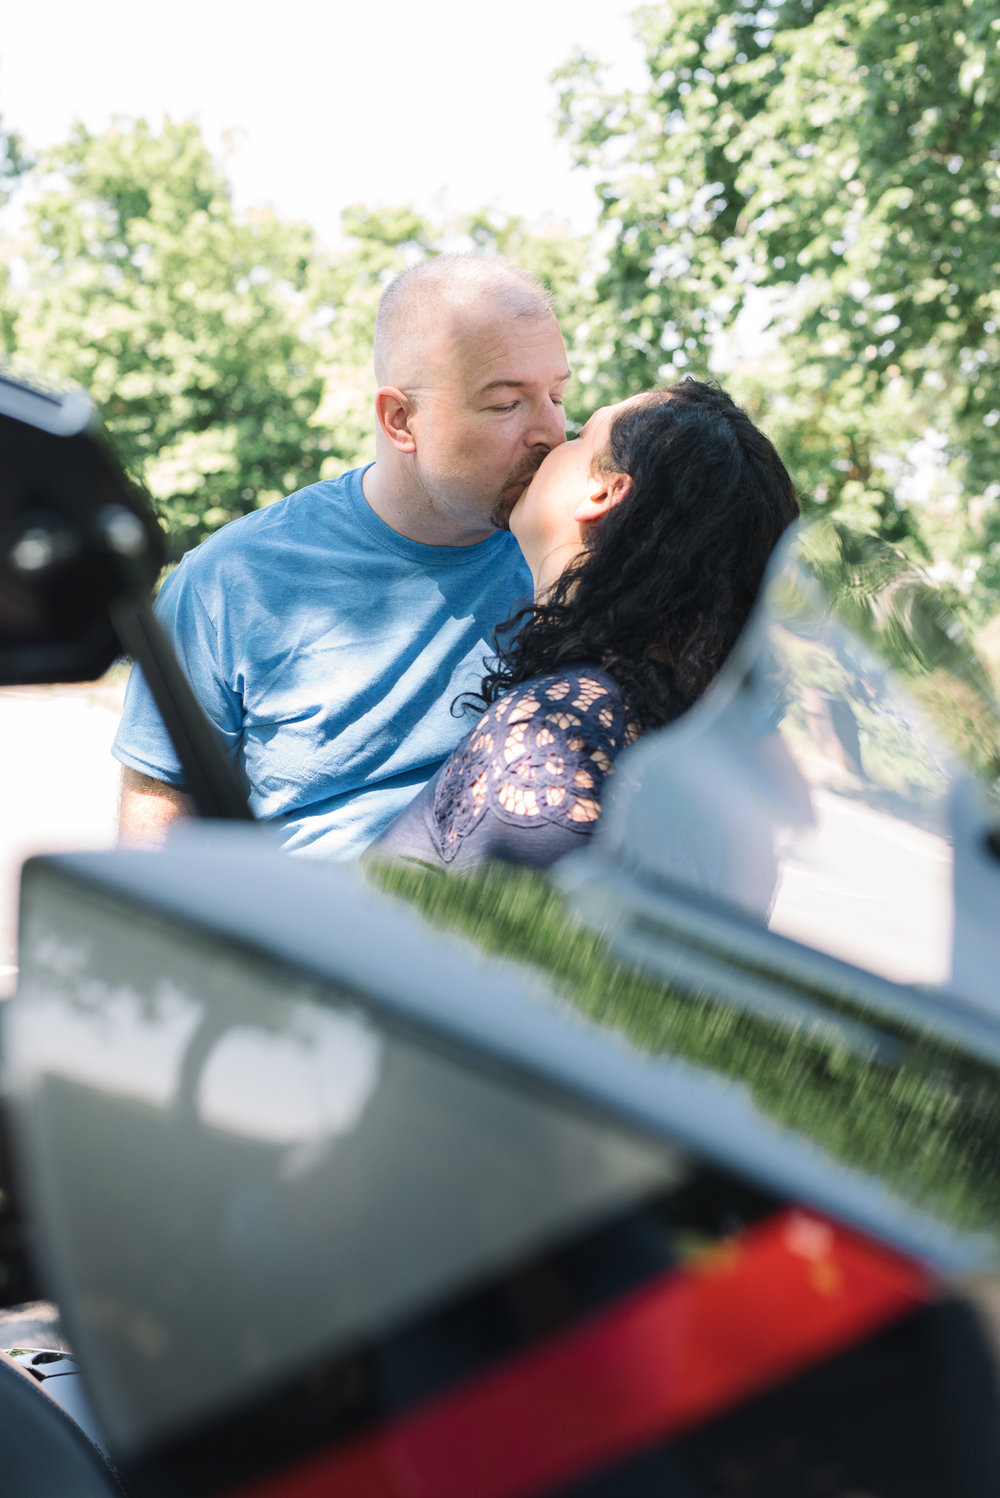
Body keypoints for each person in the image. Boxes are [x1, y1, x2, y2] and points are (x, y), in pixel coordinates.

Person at [113, 256, 571, 858]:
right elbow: (156, 839)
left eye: (558, 396)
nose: (552, 432)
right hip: (306, 934)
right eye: (506, 404)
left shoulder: (581, 555)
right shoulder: (230, 583)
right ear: (399, 419)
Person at [374, 378, 800, 871]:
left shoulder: (557, 737)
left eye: (580, 436)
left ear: (605, 492)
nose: (554, 439)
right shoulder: (697, 747)